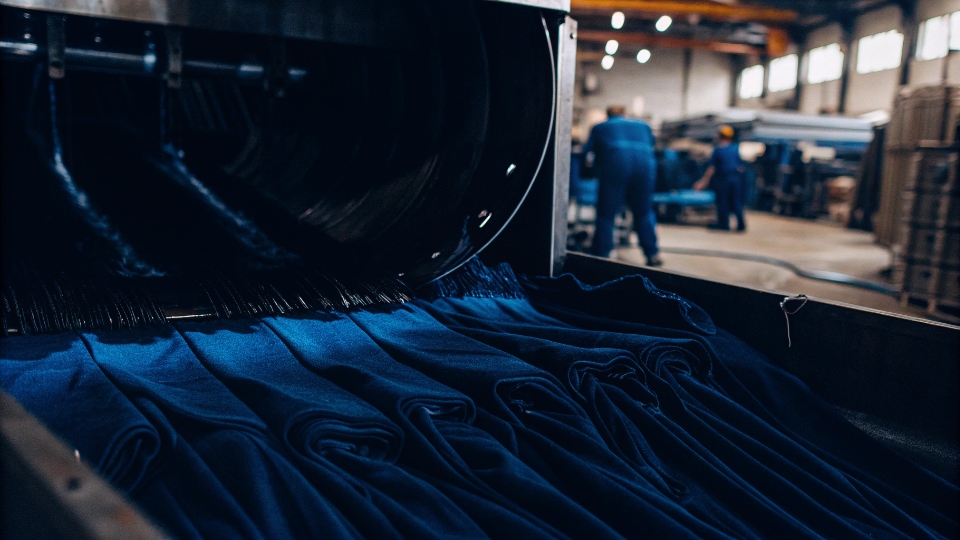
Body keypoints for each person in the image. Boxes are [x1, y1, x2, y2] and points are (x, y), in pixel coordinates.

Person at [582, 105, 662, 266]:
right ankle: (652, 254)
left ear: (608, 115)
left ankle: (601, 254)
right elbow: (653, 146)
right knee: (644, 211)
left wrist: (590, 171)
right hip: (645, 167)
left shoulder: (600, 127)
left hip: (615, 165)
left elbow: (586, 154)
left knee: (607, 213)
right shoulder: (644, 126)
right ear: (625, 114)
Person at [694, 125, 747, 232]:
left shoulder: (718, 151)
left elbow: (711, 168)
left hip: (724, 179)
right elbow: (741, 167)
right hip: (736, 179)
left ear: (720, 136)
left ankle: (724, 224)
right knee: (736, 201)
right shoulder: (735, 149)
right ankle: (741, 225)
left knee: (723, 202)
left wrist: (703, 182)